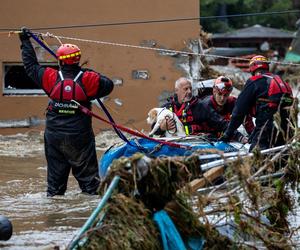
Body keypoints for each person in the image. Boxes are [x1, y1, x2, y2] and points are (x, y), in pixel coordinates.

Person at [19, 28, 114, 196]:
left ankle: (55, 218)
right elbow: (108, 84)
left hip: (54, 137)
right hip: (80, 138)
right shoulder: (89, 79)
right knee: (91, 186)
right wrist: (87, 72)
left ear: (60, 62)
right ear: (78, 60)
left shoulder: (49, 77)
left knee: (55, 189)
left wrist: (25, 42)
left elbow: (31, 66)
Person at [220, 55, 293, 151]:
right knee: (281, 161)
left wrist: (227, 135)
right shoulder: (282, 82)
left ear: (252, 69)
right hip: (287, 131)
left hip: (266, 131)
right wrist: (254, 133)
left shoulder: (254, 81)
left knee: (256, 158)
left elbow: (238, 111)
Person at [156, 77, 246, 141]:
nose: (189, 92)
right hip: (172, 144)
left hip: (197, 144)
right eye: (185, 89)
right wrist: (161, 127)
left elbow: (221, 123)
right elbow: (153, 130)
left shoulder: (200, 106)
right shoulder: (166, 108)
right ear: (176, 90)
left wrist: (240, 137)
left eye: (190, 88)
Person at [199, 76, 254, 141]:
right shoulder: (206, 104)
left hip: (223, 134)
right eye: (219, 94)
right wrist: (240, 137)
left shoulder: (232, 102)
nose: (222, 99)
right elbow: (221, 123)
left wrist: (253, 135)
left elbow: (246, 119)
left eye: (225, 95)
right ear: (214, 91)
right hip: (205, 136)